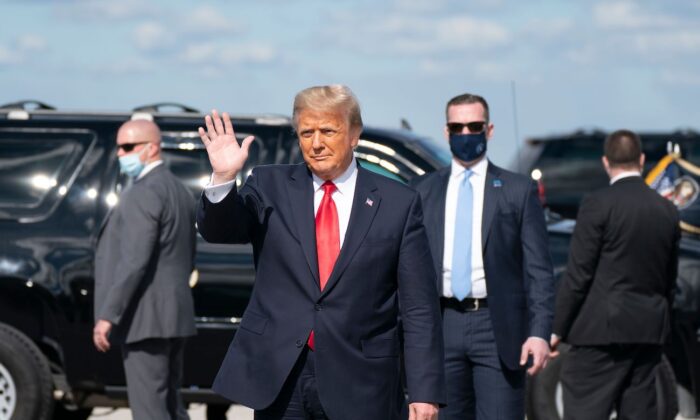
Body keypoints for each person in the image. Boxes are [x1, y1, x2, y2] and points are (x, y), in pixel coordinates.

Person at [196, 85, 445, 420]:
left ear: (355, 134)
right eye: (306, 132)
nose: (316, 143)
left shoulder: (397, 202)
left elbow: (420, 308)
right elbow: (219, 231)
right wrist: (224, 177)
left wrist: (425, 390)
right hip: (282, 376)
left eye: (328, 131)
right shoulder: (269, 186)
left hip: (362, 380)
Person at [411, 93, 555, 420]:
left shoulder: (517, 190)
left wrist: (539, 331)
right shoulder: (422, 190)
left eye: (473, 126)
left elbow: (539, 269)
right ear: (446, 132)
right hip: (442, 325)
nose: (465, 134)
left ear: (488, 130)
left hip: (497, 326)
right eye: (457, 127)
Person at [550, 129, 681, 420]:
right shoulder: (667, 209)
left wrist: (556, 328)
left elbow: (579, 274)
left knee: (584, 410)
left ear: (606, 162)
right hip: (647, 331)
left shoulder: (598, 204)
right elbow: (668, 280)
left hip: (600, 334)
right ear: (643, 160)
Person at [93, 119, 196, 420]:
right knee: (171, 404)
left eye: (127, 147)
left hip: (145, 318)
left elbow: (134, 260)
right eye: (118, 147)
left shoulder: (143, 192)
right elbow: (187, 256)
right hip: (175, 314)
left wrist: (108, 315)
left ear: (151, 148)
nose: (120, 154)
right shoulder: (180, 190)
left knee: (150, 410)